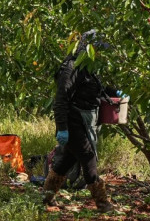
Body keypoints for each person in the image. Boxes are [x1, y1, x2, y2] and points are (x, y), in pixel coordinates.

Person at [42, 29, 125, 213]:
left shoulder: (91, 67)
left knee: (66, 160)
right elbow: (61, 100)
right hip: (74, 120)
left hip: (87, 120)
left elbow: (99, 87)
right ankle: (103, 204)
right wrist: (62, 128)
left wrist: (115, 92)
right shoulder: (72, 67)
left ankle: (46, 197)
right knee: (88, 158)